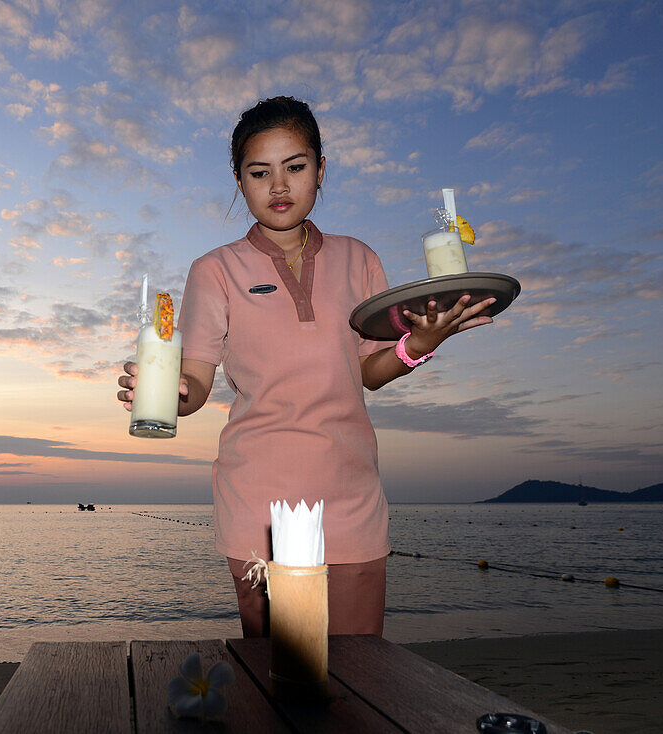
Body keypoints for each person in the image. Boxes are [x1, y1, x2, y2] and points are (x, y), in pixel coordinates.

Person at [117, 96, 494, 637]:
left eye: (295, 167)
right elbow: (196, 380)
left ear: (321, 169)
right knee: (286, 678)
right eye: (258, 172)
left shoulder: (359, 258)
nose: (278, 186)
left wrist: (421, 343)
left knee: (362, 672)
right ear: (238, 180)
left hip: (352, 496)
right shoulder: (215, 270)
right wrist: (170, 393)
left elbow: (368, 369)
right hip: (258, 500)